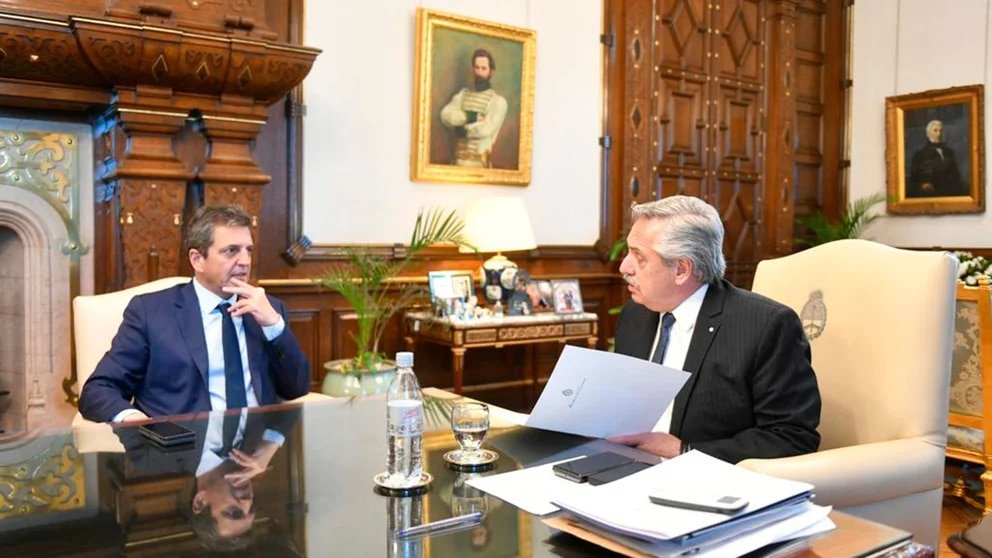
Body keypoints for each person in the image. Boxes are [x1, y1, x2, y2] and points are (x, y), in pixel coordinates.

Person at [607, 196, 821, 464]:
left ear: (682, 270)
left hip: (703, 476)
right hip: (623, 464)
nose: (624, 267)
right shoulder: (636, 314)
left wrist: (684, 451)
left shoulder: (766, 326)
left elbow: (792, 437)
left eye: (639, 257)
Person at [79, 205, 310, 423]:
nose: (245, 261)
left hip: (258, 445)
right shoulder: (150, 312)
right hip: (183, 446)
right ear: (197, 260)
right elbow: (98, 389)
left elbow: (296, 388)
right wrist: (133, 419)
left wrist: (274, 327)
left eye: (248, 250)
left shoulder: (268, 309)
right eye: (231, 251)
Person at [112, 407, 300, 551]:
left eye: (234, 512)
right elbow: (292, 390)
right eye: (251, 508)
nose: (247, 501)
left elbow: (109, 401)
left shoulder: (164, 452)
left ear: (200, 501)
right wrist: (272, 441)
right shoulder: (261, 442)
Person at [439, 48, 508, 168]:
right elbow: (445, 115)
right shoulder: (462, 95)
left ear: (491, 72)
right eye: (477, 68)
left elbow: (485, 129)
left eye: (483, 68)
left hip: (479, 165)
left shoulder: (498, 102)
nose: (479, 72)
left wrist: (463, 130)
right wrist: (471, 116)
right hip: (456, 163)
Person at [907, 119, 966, 197]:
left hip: (950, 194)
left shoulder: (949, 152)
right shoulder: (919, 155)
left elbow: (955, 175)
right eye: (935, 130)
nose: (939, 134)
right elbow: (913, 181)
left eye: (941, 131)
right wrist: (922, 185)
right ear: (928, 134)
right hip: (931, 195)